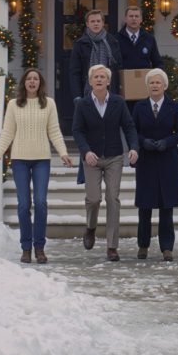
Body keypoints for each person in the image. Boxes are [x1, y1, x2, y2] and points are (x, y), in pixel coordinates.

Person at [0, 68, 72, 264]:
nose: (32, 82)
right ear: (24, 83)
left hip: (42, 159)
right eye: (29, 79)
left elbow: (54, 131)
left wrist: (63, 153)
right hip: (20, 160)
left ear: (40, 83)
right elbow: (7, 132)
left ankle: (39, 247)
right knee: (24, 204)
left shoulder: (49, 104)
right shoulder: (13, 105)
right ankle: (26, 248)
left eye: (35, 79)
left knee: (41, 203)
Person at [72, 64, 138, 262]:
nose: (99, 79)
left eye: (103, 77)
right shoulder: (83, 104)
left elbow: (128, 126)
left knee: (112, 199)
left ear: (108, 81)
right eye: (95, 77)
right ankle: (91, 228)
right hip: (92, 157)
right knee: (93, 199)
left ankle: (112, 246)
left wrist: (133, 147)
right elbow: (77, 130)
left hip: (114, 156)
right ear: (90, 81)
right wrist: (85, 151)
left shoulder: (118, 102)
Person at [131, 68, 178, 261]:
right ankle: (143, 245)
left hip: (166, 159)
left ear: (164, 86)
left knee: (166, 206)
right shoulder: (139, 107)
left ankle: (167, 248)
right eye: (151, 82)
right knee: (145, 207)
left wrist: (167, 142)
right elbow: (132, 131)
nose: (155, 85)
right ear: (147, 86)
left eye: (158, 82)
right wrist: (142, 141)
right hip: (146, 159)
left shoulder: (174, 107)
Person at [69, 9, 122, 100]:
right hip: (87, 93)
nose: (96, 24)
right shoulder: (80, 44)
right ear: (87, 24)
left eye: (98, 21)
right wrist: (77, 95)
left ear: (103, 23)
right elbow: (74, 72)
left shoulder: (113, 42)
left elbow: (119, 68)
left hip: (110, 92)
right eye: (92, 21)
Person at [116, 6, 163, 72]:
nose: (134, 19)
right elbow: (114, 64)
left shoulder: (149, 39)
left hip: (144, 79)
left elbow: (157, 62)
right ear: (125, 19)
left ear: (141, 19)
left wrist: (157, 75)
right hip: (123, 80)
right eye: (131, 16)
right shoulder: (116, 39)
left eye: (136, 16)